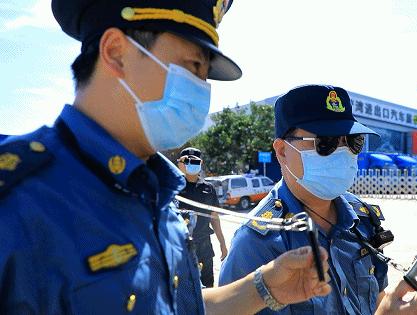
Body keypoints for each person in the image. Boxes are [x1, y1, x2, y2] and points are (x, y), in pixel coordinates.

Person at [0, 1, 332, 314]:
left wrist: (265, 286)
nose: (202, 88)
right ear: (116, 53)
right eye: (192, 66)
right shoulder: (19, 200)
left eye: (204, 74)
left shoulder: (158, 195)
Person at [220, 84, 417, 314]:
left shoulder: (364, 218)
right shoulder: (255, 244)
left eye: (352, 141)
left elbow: (376, 299)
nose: (344, 152)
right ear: (282, 151)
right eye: (325, 143)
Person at [176, 147, 228, 288]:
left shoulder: (208, 188)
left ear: (201, 163)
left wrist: (222, 243)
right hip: (180, 247)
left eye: (195, 161)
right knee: (183, 288)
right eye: (187, 161)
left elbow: (214, 217)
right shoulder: (174, 188)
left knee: (207, 285)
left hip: (204, 246)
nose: (192, 164)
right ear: (180, 163)